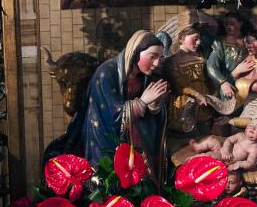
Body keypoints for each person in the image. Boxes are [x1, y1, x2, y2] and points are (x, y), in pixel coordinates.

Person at [45, 31, 169, 180]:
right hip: (106, 139)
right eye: (152, 56)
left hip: (136, 140)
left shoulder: (146, 77)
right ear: (136, 52)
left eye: (160, 58)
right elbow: (111, 115)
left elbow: (153, 116)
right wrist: (142, 102)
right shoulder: (106, 73)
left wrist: (154, 105)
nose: (156, 63)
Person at [164, 25, 213, 134]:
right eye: (195, 39)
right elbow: (179, 85)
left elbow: (209, 81)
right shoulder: (172, 61)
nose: (199, 42)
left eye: (199, 39)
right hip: (183, 107)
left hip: (204, 106)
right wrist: (197, 95)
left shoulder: (202, 59)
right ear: (182, 38)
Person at [206, 12, 254, 100]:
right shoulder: (219, 42)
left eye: (231, 24)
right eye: (226, 24)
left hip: (246, 83)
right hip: (227, 84)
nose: (228, 26)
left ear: (240, 24)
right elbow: (211, 66)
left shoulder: (249, 41)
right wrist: (223, 82)